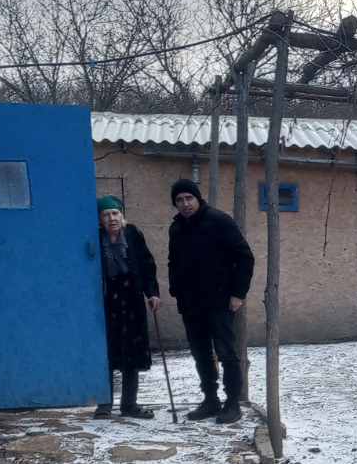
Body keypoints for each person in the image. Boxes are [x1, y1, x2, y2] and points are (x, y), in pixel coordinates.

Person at [167, 178, 255, 424]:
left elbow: (245, 257)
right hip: (191, 304)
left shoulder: (219, 221)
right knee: (201, 354)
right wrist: (176, 289)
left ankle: (232, 402)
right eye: (179, 200)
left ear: (198, 198)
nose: (185, 204)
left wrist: (238, 293)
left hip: (219, 302)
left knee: (226, 353)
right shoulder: (176, 228)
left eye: (189, 198)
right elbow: (173, 261)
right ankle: (211, 399)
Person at [94, 196, 159, 420]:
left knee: (132, 352)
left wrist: (152, 293)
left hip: (131, 296)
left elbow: (147, 265)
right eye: (106, 214)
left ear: (122, 215)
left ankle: (129, 404)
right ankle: (104, 405)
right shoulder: (96, 238)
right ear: (100, 219)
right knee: (106, 353)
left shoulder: (133, 234)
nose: (111, 218)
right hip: (105, 299)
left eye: (115, 213)